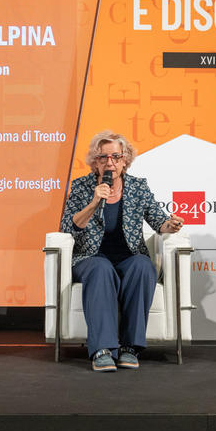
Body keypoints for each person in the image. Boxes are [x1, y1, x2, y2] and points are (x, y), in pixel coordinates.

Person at [60, 130, 184, 372]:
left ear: (125, 160)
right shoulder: (81, 186)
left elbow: (159, 222)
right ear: (95, 161)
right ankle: (102, 349)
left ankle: (130, 347)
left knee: (143, 265)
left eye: (116, 157)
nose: (110, 163)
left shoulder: (138, 187)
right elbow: (68, 227)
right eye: (103, 157)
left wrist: (171, 225)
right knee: (101, 268)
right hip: (90, 257)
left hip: (128, 256)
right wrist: (94, 202)